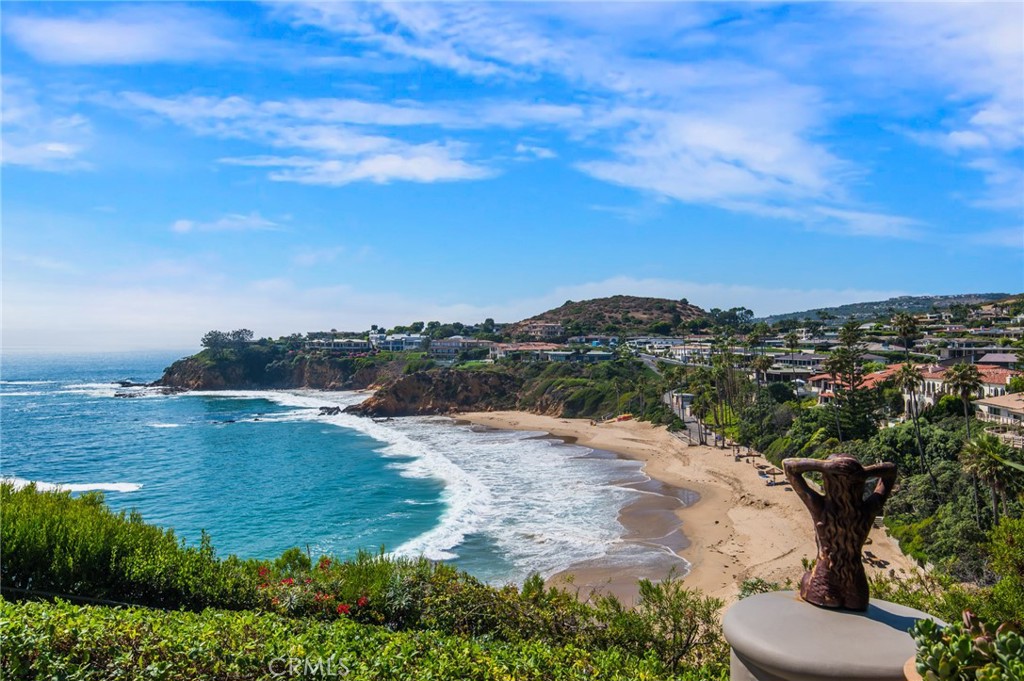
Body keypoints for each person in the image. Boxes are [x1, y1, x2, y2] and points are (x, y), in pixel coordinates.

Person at [783, 454, 897, 611]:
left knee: (807, 578)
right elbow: (891, 471)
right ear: (860, 485)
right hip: (856, 587)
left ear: (828, 482)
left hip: (823, 584)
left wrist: (824, 466)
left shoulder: (820, 507)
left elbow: (789, 466)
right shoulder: (866, 510)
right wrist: (865, 472)